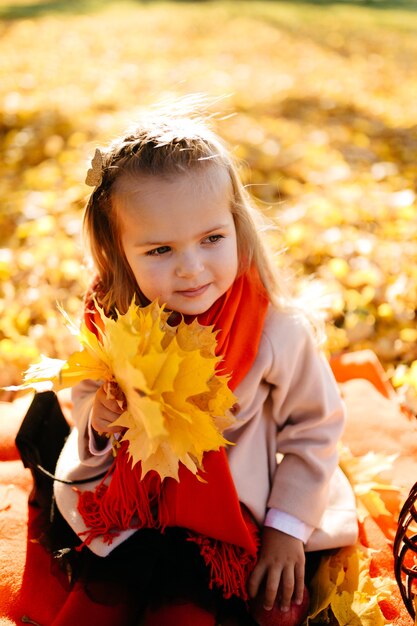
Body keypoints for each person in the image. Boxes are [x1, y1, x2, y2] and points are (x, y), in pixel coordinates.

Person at [52, 105, 358, 626]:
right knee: (114, 591)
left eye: (212, 239)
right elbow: (85, 397)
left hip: (238, 509)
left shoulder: (275, 330)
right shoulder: (114, 319)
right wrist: (98, 422)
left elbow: (314, 427)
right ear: (119, 251)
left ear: (237, 226)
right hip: (139, 504)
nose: (191, 268)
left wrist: (286, 532)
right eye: (160, 249)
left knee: (205, 608)